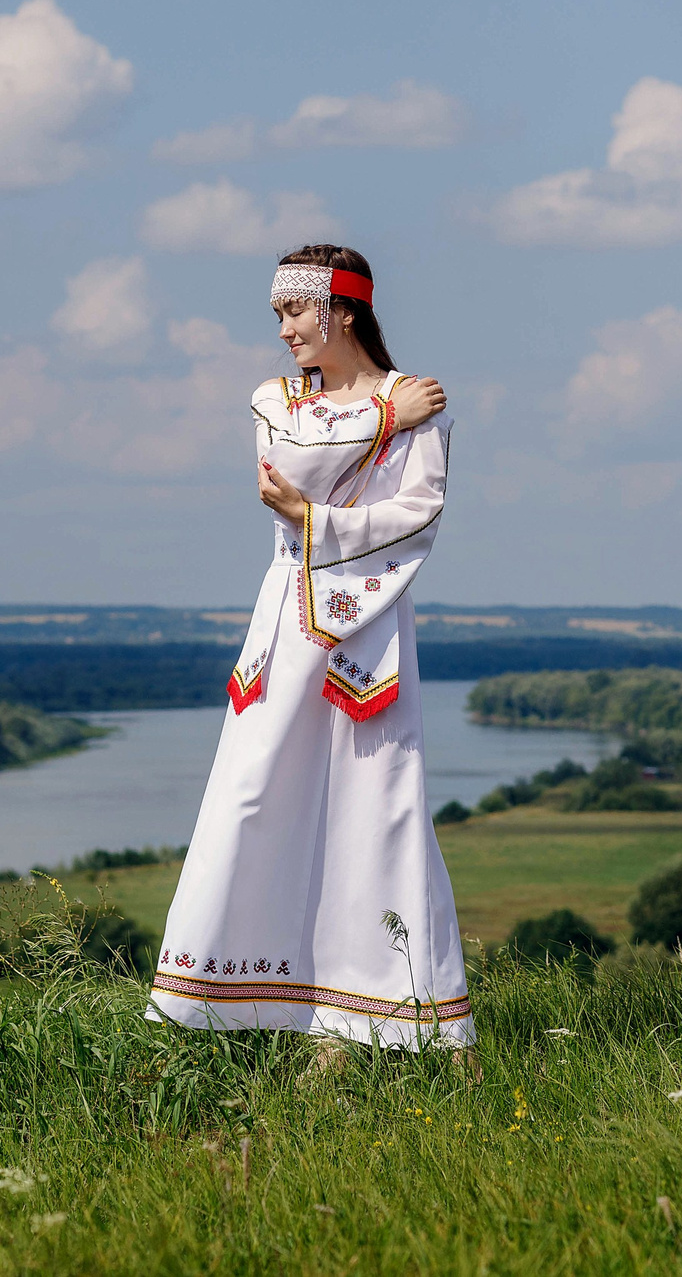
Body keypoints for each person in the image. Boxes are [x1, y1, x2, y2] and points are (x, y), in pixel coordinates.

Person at [144, 243, 473, 1049]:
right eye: (279, 314)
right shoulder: (284, 400)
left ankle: (369, 1022)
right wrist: (388, 417)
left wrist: (315, 517)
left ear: (344, 311)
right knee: (252, 795)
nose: (284, 330)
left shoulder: (418, 403)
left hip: (367, 628)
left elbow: (418, 515)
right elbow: (288, 458)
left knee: (375, 809)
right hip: (286, 621)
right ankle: (218, 1006)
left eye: (296, 311)